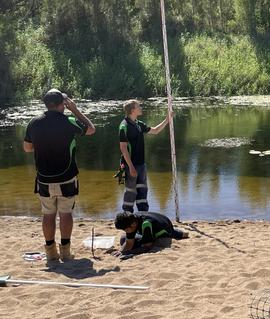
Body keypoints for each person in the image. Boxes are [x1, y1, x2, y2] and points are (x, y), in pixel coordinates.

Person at [23, 89, 96, 261]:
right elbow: (91, 129)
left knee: (48, 214)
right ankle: (65, 251)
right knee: (65, 214)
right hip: (67, 178)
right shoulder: (68, 121)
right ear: (62, 105)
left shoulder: (34, 122)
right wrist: (76, 110)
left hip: (44, 179)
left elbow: (27, 148)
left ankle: (50, 252)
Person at [118, 100, 171, 212]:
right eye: (138, 106)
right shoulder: (124, 126)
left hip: (141, 164)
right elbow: (123, 148)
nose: (141, 108)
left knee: (142, 190)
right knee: (130, 192)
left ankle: (143, 215)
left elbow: (155, 131)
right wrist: (131, 167)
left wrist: (167, 120)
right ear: (132, 110)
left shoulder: (139, 124)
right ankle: (128, 216)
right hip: (130, 165)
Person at [113, 211, 189, 257]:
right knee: (123, 238)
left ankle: (180, 234)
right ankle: (180, 233)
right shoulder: (132, 219)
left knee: (136, 243)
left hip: (164, 230)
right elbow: (129, 243)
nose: (125, 231)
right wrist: (121, 251)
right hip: (160, 222)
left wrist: (128, 252)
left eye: (126, 229)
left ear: (133, 224)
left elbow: (147, 247)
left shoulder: (146, 224)